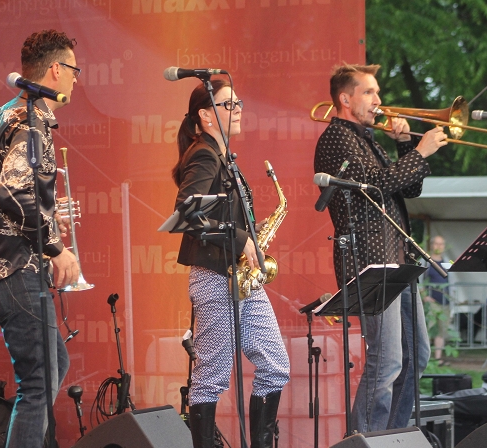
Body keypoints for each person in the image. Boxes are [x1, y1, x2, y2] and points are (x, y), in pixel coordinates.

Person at [0, 30, 80, 448]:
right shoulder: (31, 120)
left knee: (51, 367)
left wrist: (43, 213)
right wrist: (55, 246)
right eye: (74, 70)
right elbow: (12, 193)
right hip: (13, 267)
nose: (76, 78)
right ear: (56, 70)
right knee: (40, 382)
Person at [313, 63, 447, 432]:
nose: (379, 100)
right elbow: (373, 186)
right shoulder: (336, 137)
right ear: (346, 99)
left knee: (416, 357)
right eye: (369, 92)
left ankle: (392, 435)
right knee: (386, 361)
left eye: (377, 91)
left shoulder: (368, 139)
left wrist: (405, 145)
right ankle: (366, 439)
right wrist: (420, 152)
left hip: (397, 259)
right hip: (370, 260)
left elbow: (408, 189)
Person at [172, 80, 290, 448]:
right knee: (211, 378)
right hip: (215, 277)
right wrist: (241, 239)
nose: (237, 109)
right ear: (205, 116)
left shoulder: (224, 157)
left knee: (275, 367)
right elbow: (186, 215)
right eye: (227, 104)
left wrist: (252, 236)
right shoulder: (204, 154)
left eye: (238, 102)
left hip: (239, 277)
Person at [422, 235, 451, 366]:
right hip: (431, 302)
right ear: (432, 245)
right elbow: (419, 281)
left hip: (445, 302)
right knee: (429, 329)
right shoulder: (426, 262)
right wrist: (425, 296)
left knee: (441, 330)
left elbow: (452, 277)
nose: (439, 246)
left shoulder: (447, 262)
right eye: (436, 243)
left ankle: (438, 359)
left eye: (441, 244)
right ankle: (426, 359)